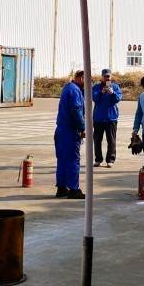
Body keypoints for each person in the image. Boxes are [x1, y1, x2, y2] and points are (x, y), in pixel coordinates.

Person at [54, 71, 86, 199]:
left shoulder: (68, 88)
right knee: (73, 160)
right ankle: (74, 189)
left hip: (61, 130)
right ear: (81, 78)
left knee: (62, 160)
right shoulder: (75, 90)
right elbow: (76, 110)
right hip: (70, 131)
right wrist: (82, 127)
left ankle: (61, 188)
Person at [91, 68, 121, 167]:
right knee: (97, 140)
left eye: (108, 76)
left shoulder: (115, 87)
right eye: (105, 76)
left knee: (111, 140)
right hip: (99, 118)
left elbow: (118, 98)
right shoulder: (96, 87)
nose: (107, 78)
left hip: (111, 118)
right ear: (102, 77)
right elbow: (94, 98)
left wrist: (113, 93)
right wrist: (101, 92)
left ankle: (110, 159)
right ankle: (98, 159)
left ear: (111, 77)